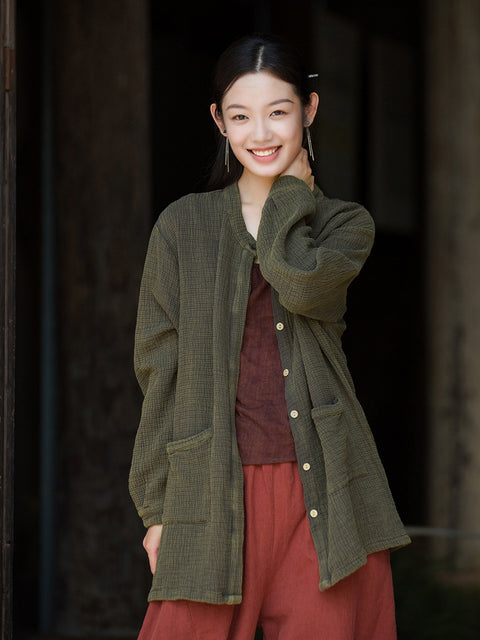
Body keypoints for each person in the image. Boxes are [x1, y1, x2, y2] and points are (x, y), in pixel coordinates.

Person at [129, 33, 410, 640]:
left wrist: (287, 198)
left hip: (327, 490)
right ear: (219, 122)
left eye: (278, 112)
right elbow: (159, 371)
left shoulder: (342, 223)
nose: (260, 132)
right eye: (240, 115)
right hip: (209, 486)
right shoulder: (182, 226)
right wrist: (155, 510)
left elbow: (303, 285)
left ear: (309, 110)